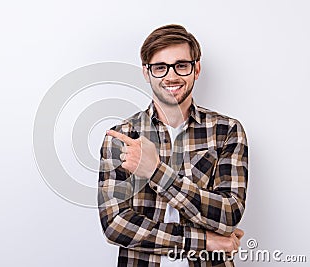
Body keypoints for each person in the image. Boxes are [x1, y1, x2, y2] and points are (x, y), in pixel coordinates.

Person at [98, 24, 248, 267]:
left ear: (196, 68)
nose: (171, 76)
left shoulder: (227, 131)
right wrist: (203, 241)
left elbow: (229, 214)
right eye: (160, 67)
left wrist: (156, 171)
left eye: (181, 65)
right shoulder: (122, 136)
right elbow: (116, 225)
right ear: (146, 73)